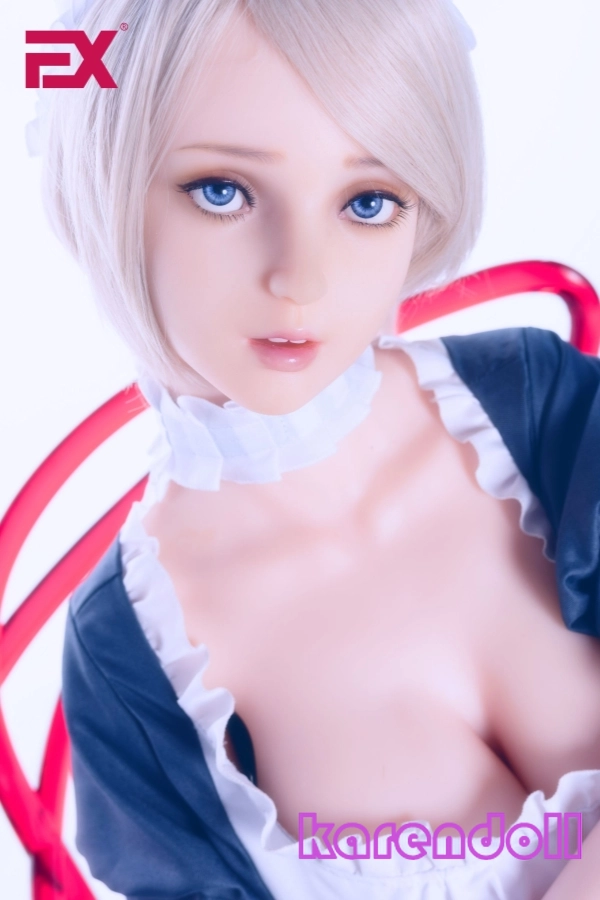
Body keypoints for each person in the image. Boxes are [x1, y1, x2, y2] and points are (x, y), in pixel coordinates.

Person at [36, 0, 600, 897]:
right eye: (222, 191)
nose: (301, 277)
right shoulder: (131, 657)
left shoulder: (541, 405)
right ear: (109, 182)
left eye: (368, 201)